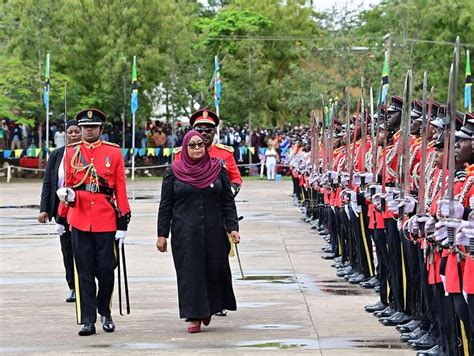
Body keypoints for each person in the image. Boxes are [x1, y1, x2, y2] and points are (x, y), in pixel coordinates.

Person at [56, 108, 131, 336]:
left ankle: (104, 312)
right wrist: (61, 214)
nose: (89, 130)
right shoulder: (71, 152)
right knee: (84, 272)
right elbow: (67, 184)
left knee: (107, 270)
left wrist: (123, 222)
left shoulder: (113, 153)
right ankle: (88, 319)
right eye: (85, 127)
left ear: (100, 129)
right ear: (79, 129)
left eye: (93, 127)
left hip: (106, 219)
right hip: (78, 217)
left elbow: (120, 188)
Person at [157, 130, 240, 334]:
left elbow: (227, 203)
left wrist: (233, 227)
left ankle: (209, 309)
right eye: (192, 145)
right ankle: (193, 316)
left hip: (214, 231)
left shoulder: (218, 169)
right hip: (185, 233)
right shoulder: (173, 172)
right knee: (190, 274)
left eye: (200, 145)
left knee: (213, 270)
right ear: (184, 148)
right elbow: (165, 206)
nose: (196, 149)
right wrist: (162, 235)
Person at [38, 119, 82, 302]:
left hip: (82, 208)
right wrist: (44, 209)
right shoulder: (57, 155)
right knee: (67, 249)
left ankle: (85, 285)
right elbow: (48, 183)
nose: (73, 135)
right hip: (61, 210)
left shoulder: (87, 154)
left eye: (76, 131)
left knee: (84, 249)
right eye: (70, 132)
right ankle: (72, 285)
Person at [174, 109, 242, 197]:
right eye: (199, 130)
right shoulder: (181, 153)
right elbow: (174, 182)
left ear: (214, 132)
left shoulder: (225, 153)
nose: (204, 133)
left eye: (208, 130)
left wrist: (228, 195)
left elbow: (236, 178)